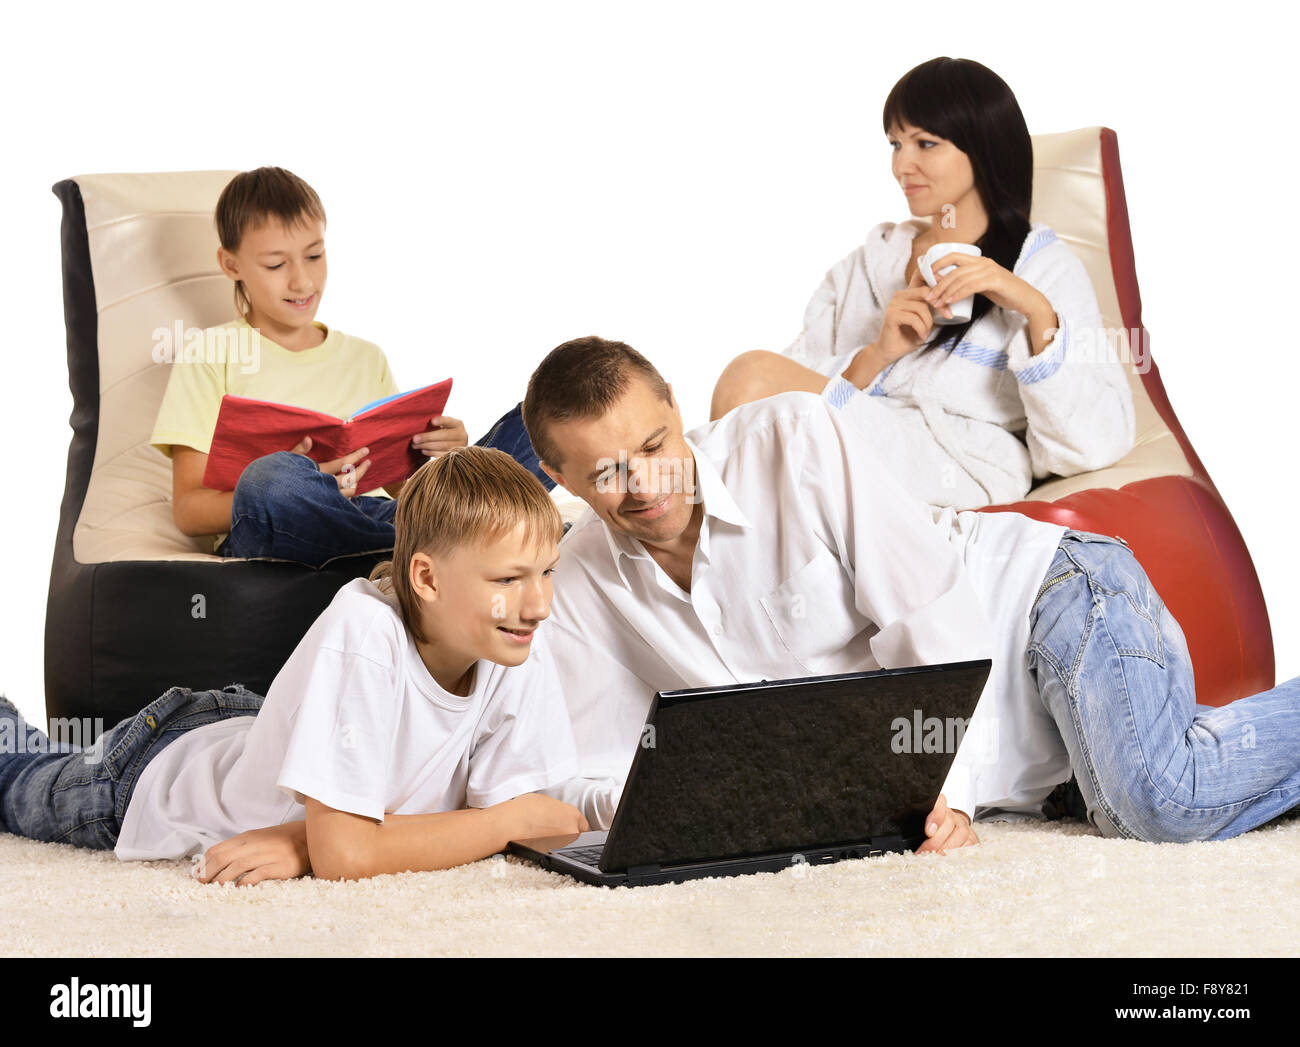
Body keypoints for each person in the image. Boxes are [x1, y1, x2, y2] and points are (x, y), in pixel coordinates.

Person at [524, 336, 1300, 850]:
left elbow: (937, 620)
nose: (646, 484)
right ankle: (1101, 756)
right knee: (1111, 796)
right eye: (606, 472)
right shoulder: (583, 577)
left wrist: (948, 790)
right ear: (561, 480)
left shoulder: (792, 440)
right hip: (1005, 741)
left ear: (676, 411)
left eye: (654, 447)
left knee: (1157, 800)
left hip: (1043, 600)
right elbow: (584, 767)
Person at [0, 447, 587, 883]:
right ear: (426, 578)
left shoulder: (511, 641)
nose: (539, 603)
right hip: (155, 771)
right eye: (509, 579)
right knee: (15, 776)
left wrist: (306, 839)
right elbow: (357, 854)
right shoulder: (365, 630)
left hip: (258, 732)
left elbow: (542, 823)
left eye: (547, 571)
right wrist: (326, 842)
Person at [710, 58, 1135, 508]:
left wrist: (1035, 311)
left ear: (983, 147)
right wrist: (878, 355)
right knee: (744, 402)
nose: (901, 165)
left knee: (750, 380)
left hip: (958, 460)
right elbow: (794, 382)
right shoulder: (869, 264)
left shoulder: (1041, 268)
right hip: (860, 433)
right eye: (895, 144)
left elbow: (1095, 442)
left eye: (925, 143)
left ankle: (723, 548)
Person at [151, 166, 551, 568]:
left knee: (546, 413)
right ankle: (470, 536)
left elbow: (399, 487)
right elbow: (189, 511)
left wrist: (452, 460)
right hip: (281, 526)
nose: (302, 281)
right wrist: (307, 482)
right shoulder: (210, 353)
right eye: (276, 265)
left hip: (381, 517)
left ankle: (452, 531)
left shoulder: (366, 357)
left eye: (314, 255)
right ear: (231, 264)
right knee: (272, 477)